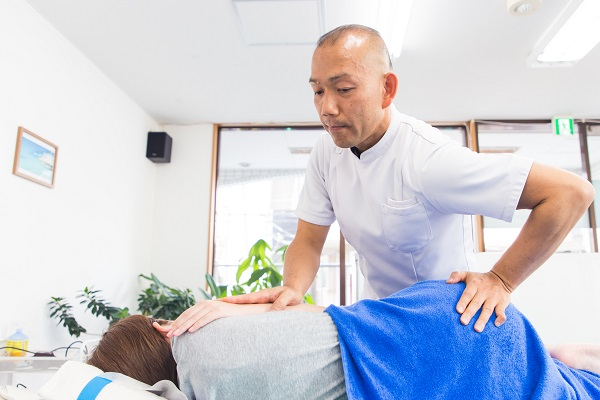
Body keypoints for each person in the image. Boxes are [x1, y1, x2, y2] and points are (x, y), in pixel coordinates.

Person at [215, 24, 595, 333]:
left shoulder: (427, 159)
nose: (326, 108)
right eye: (317, 90)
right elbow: (308, 240)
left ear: (387, 89)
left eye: (343, 89)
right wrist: (293, 290)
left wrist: (501, 279)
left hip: (452, 320)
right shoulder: (326, 153)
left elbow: (571, 193)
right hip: (381, 320)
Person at [87, 281, 600, 400]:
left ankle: (569, 362)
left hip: (436, 345)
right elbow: (318, 316)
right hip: (436, 314)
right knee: (553, 372)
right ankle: (567, 359)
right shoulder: (205, 338)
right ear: (161, 329)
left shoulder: (198, 365)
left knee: (557, 386)